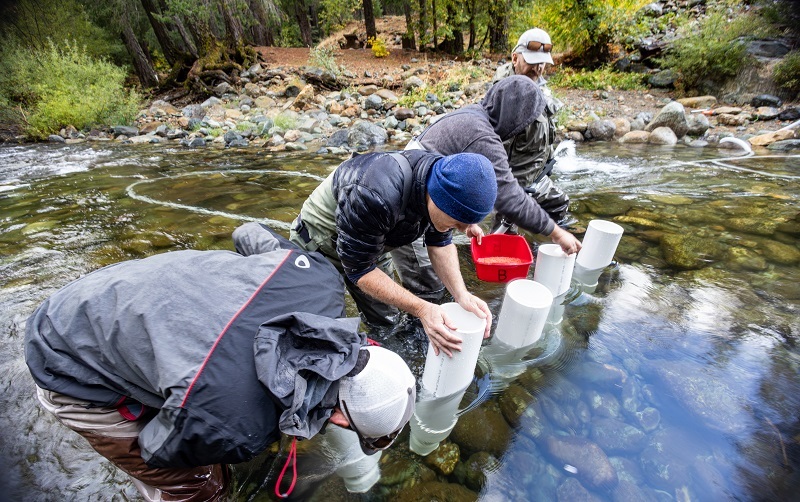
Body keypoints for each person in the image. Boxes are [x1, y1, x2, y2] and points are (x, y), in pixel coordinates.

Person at [24, 222, 416, 501]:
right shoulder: (237, 428)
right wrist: (207, 434)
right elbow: (156, 446)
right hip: (62, 353)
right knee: (202, 485)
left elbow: (248, 233)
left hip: (107, 288)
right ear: (342, 421)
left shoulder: (321, 281)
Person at [290, 150, 496, 357]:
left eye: (468, 221)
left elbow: (440, 244)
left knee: (387, 322)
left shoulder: (441, 190)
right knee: (323, 333)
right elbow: (359, 270)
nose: (463, 229)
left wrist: (461, 295)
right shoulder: (376, 193)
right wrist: (423, 309)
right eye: (458, 221)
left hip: (373, 242)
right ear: (436, 197)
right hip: (319, 242)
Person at [394, 75, 582, 301]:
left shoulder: (473, 115)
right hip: (406, 208)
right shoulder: (482, 136)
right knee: (428, 289)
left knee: (430, 282)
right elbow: (510, 197)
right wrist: (556, 232)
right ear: (516, 117)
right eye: (527, 120)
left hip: (418, 194)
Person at [493, 27, 572, 228]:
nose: (538, 68)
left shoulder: (538, 84)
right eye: (532, 62)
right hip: (514, 183)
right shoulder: (505, 95)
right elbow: (491, 146)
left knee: (558, 205)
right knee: (504, 235)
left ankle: (547, 249)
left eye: (542, 63)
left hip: (538, 175)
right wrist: (508, 188)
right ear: (514, 58)